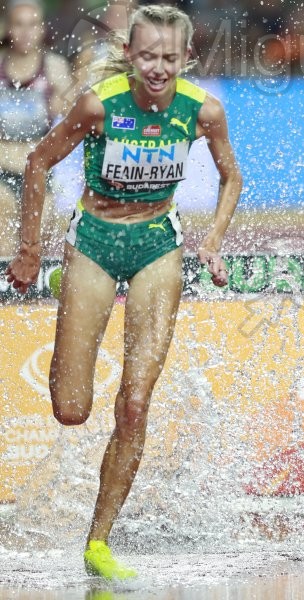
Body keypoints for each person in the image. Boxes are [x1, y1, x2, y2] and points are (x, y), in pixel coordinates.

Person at [4, 5, 242, 580]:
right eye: (147, 57)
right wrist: (29, 250)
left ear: (186, 59)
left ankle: (99, 542)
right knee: (70, 409)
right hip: (92, 243)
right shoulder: (99, 104)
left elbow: (232, 176)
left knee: (134, 404)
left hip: (158, 247)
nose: (158, 68)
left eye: (169, 58)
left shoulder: (204, 110)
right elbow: (37, 162)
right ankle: (72, 289)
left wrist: (211, 240)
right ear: (131, 56)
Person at [0, 0, 73, 257]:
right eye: (19, 25)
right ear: (8, 28)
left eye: (32, 25)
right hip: (3, 167)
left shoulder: (53, 67)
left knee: (35, 244)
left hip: (38, 168)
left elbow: (72, 115)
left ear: (42, 29)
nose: (26, 32)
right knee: (4, 237)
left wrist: (63, 100)